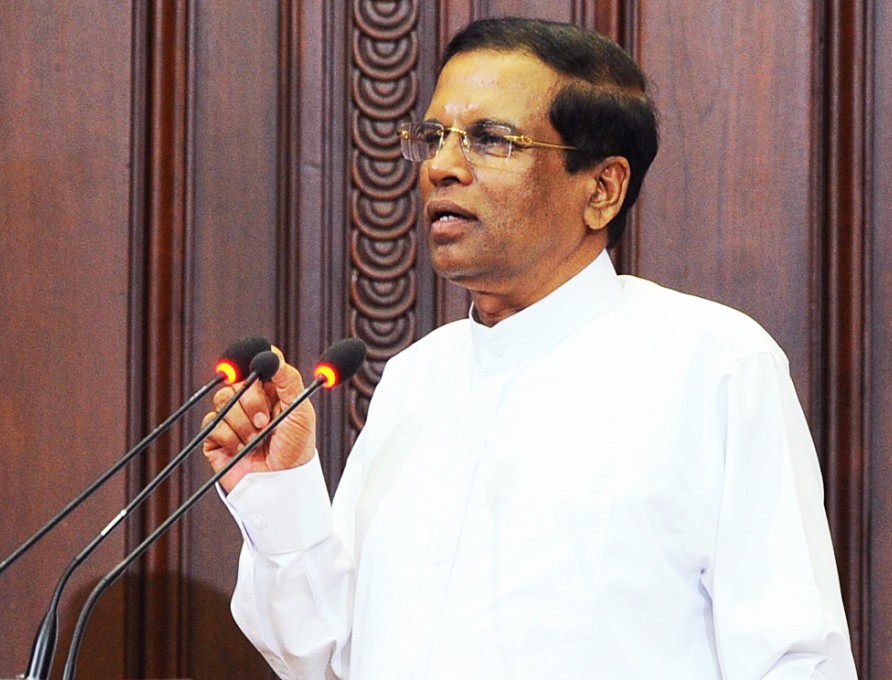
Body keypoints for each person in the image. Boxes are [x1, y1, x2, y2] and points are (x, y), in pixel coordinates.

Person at [202, 17, 857, 679]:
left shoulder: (714, 365)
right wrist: (277, 495)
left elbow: (796, 660)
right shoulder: (414, 380)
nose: (442, 167)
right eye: (434, 137)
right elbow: (328, 658)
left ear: (602, 189)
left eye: (490, 140)